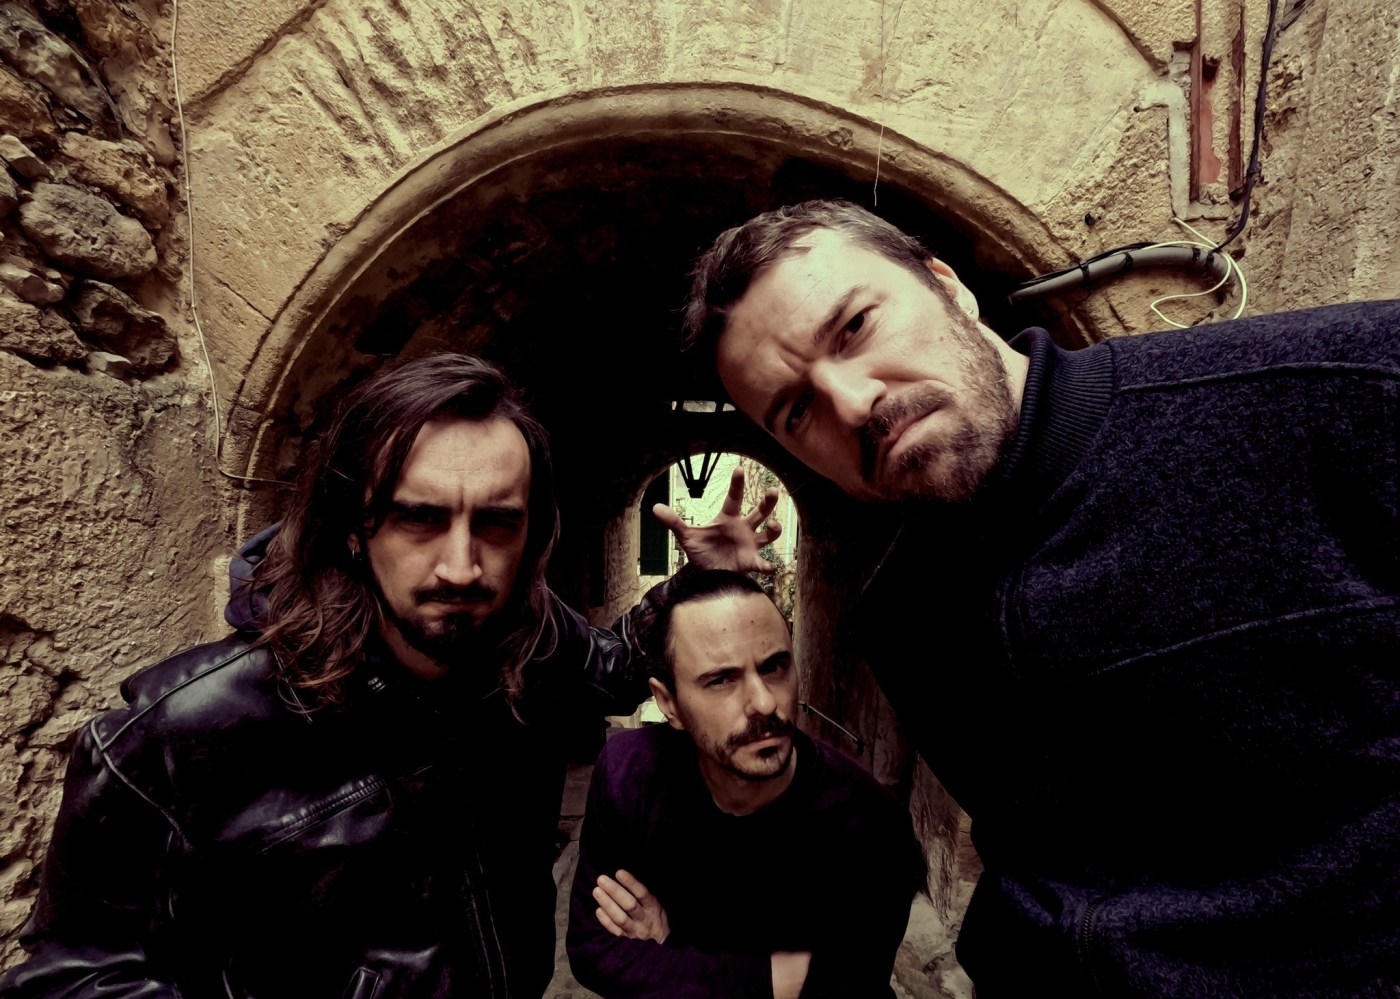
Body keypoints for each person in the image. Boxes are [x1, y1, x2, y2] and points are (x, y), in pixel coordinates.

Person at [680, 200, 1400, 997]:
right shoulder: (900, 617)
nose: (851, 403)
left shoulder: (1349, 390)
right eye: (797, 410)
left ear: (948, 286)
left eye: (853, 327)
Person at [0, 354, 781, 999]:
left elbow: (617, 670)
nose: (461, 566)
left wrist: (697, 581)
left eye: (496, 523)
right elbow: (69, 977)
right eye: (420, 517)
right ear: (353, 525)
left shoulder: (530, 641)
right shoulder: (174, 741)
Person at [565, 567, 925, 999]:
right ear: (668, 703)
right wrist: (778, 978)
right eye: (721, 680)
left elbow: (843, 986)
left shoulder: (869, 824)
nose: (765, 703)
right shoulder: (630, 774)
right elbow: (592, 949)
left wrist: (671, 946)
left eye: (774, 667)